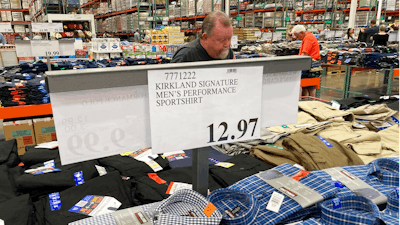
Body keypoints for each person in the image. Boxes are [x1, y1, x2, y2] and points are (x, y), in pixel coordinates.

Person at [291, 25, 321, 97]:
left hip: (311, 65)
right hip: (310, 63)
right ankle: (306, 102)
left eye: (297, 36)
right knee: (306, 87)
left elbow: (305, 55)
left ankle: (310, 104)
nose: (297, 38)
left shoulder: (308, 38)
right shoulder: (308, 37)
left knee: (310, 87)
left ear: (301, 32)